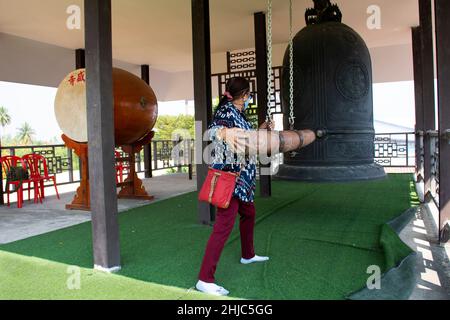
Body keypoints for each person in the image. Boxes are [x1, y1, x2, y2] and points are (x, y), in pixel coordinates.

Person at [195, 77, 273, 296]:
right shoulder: (225, 112)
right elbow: (209, 133)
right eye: (249, 95)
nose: (250, 99)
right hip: (231, 176)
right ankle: (205, 279)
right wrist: (222, 132)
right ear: (245, 95)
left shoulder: (239, 114)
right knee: (224, 225)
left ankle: (247, 254)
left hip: (244, 177)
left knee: (249, 212)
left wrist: (261, 129)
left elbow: (245, 139)